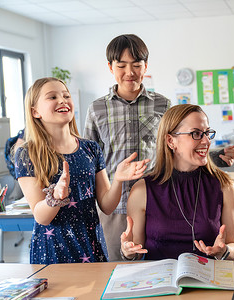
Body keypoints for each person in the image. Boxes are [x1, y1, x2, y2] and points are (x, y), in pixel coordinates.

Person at [84, 34, 234, 261]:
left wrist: (212, 154)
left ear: (146, 66)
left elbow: (180, 143)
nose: (130, 72)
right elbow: (91, 161)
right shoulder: (97, 109)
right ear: (110, 67)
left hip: (162, 197)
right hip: (114, 205)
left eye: (137, 65)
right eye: (122, 65)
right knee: (121, 266)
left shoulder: (162, 104)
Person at [14, 77, 149, 264]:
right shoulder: (27, 154)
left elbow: (107, 206)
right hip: (53, 252)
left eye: (66, 95)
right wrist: (56, 198)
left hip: (91, 246)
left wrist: (118, 179)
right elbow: (41, 216)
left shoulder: (90, 148)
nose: (62, 100)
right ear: (35, 112)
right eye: (52, 97)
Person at [120, 104, 234, 261]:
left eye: (207, 133)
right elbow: (135, 251)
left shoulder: (223, 185)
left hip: (208, 279)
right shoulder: (142, 190)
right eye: (196, 133)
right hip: (161, 281)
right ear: (171, 141)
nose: (206, 141)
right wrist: (128, 251)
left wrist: (224, 251)